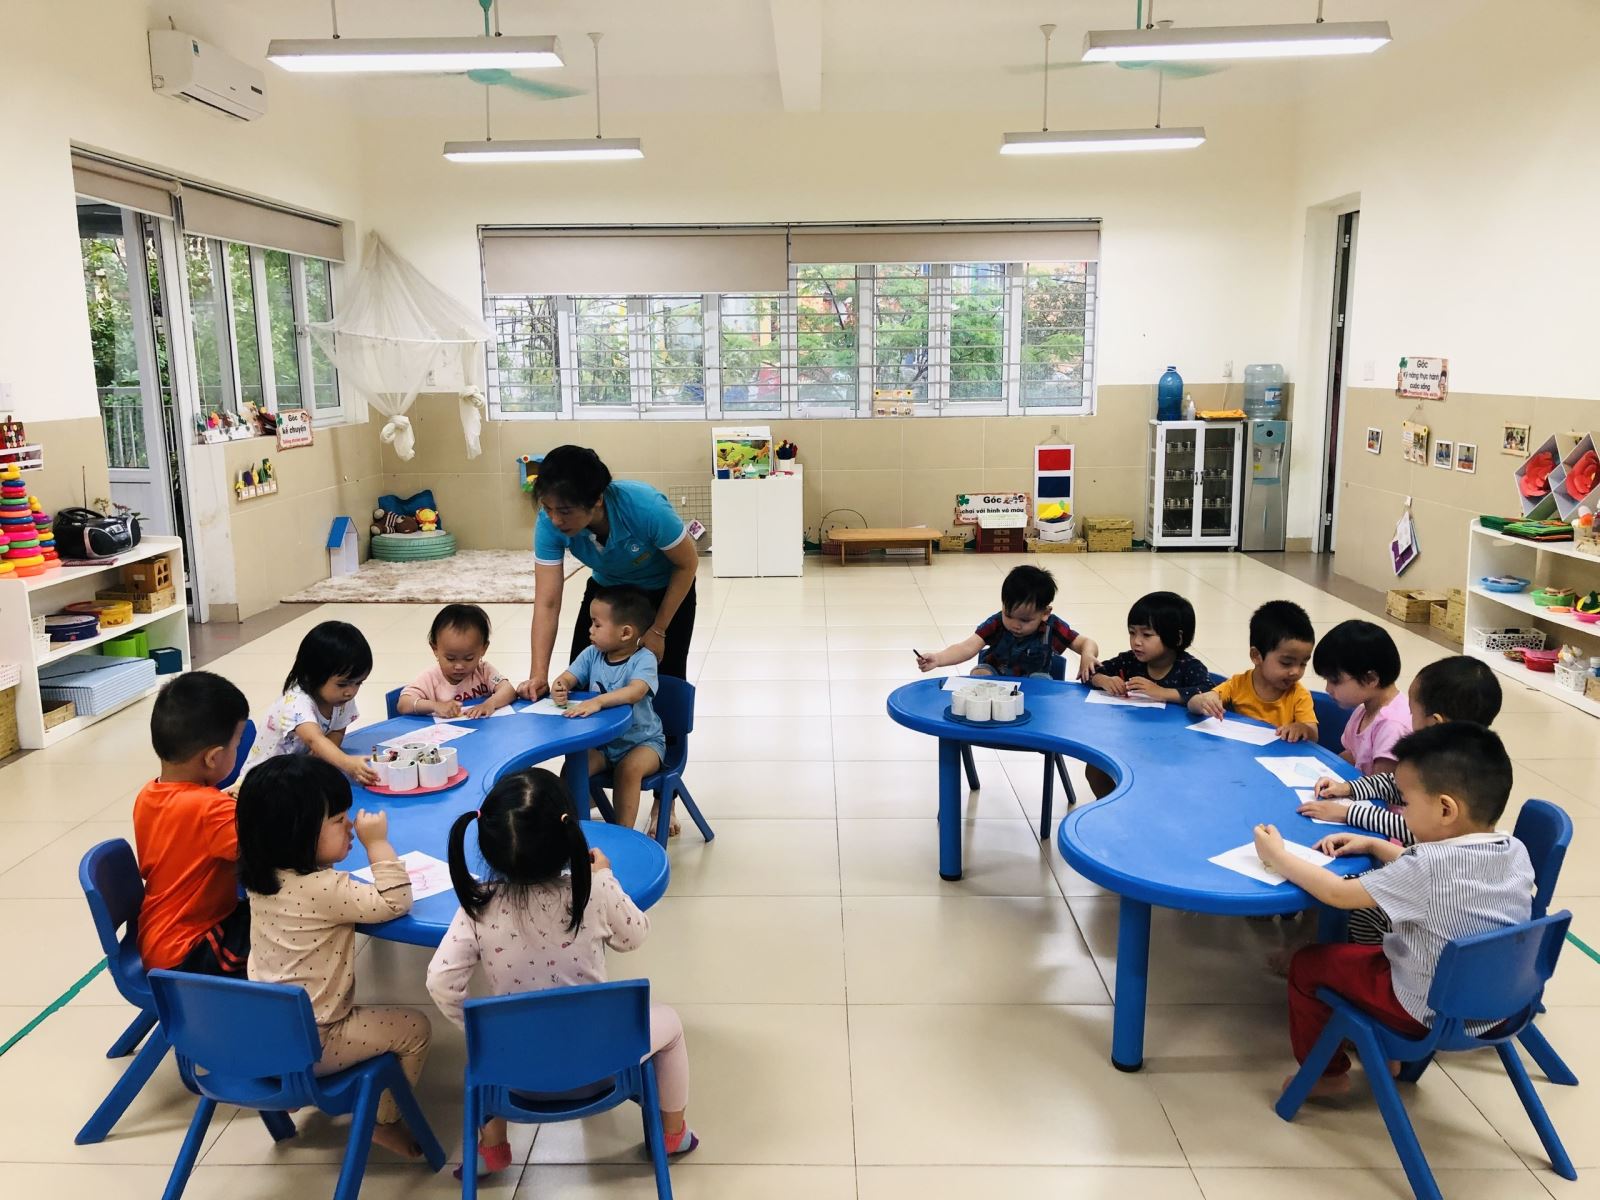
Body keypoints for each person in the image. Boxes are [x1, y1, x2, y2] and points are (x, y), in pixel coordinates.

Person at [426, 768, 696, 1178]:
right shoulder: (593, 890)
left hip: (514, 1072)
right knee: (671, 1025)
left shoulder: (477, 906)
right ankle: (673, 1133)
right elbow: (634, 935)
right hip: (604, 1063)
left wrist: (480, 1030)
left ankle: (492, 1148)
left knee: (481, 1050)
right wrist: (605, 876)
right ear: (568, 834)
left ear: (489, 845)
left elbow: (440, 981)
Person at [1253, 723, 1533, 1098]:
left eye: (1407, 803)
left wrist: (1278, 856)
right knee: (1381, 947)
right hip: (1498, 1006)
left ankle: (1328, 1075)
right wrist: (1375, 845)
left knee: (1308, 964)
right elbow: (1437, 878)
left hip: (1426, 1013)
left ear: (1446, 809)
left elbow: (1337, 893)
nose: (1403, 812)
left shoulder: (1427, 868)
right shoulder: (1514, 850)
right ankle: (1385, 1056)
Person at [237, 755, 432, 1160]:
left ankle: (288, 1090)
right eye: (339, 819)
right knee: (416, 1028)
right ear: (298, 832)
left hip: (259, 1034)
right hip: (317, 1042)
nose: (351, 825)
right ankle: (383, 1122)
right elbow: (395, 901)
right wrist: (377, 845)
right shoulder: (325, 888)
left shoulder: (260, 878)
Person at [519, 445, 699, 702]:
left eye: (565, 511)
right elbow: (547, 602)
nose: (555, 520)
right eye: (548, 508)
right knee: (582, 683)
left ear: (597, 499)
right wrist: (538, 675)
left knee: (663, 686)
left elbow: (687, 564)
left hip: (666, 590)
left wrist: (659, 629)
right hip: (607, 593)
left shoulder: (646, 508)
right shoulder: (548, 524)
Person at [132, 671, 251, 977]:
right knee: (289, 925)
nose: (239, 750)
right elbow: (271, 848)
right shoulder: (210, 809)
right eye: (237, 743)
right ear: (212, 758)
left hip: (159, 938)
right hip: (191, 952)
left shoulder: (149, 793)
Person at [549, 586, 667, 834]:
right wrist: (561, 685)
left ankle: (624, 834)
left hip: (643, 742)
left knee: (628, 770)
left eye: (597, 624)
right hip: (603, 744)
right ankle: (569, 828)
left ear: (625, 633)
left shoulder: (644, 659)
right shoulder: (592, 654)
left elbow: (635, 691)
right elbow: (569, 676)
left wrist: (599, 701)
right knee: (574, 767)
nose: (590, 630)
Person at [1086, 591, 1211, 798]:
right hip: (1131, 742)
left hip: (1176, 749)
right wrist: (1103, 680)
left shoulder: (1188, 667)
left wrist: (1163, 693)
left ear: (1177, 637)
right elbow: (1091, 672)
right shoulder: (1130, 661)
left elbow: (1208, 691)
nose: (1136, 642)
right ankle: (1114, 807)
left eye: (1146, 635)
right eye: (1132, 632)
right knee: (1095, 769)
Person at [239, 620, 378, 786]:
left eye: (358, 683)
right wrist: (347, 763)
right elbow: (314, 739)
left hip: (296, 776)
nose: (351, 691)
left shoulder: (341, 697)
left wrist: (322, 756)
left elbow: (338, 731)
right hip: (261, 784)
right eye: (343, 684)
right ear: (313, 675)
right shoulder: (296, 702)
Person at [914, 564, 1101, 682]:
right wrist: (938, 659)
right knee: (980, 674)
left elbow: (1087, 643)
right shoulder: (996, 623)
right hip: (995, 679)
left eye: (1025, 620)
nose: (1015, 625)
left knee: (1041, 681)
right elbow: (967, 647)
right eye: (1009, 615)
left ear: (1045, 613)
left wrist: (1087, 655)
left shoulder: (1052, 627)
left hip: (1034, 689)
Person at [1188, 600, 1317, 742]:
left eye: (1303, 663)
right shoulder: (1238, 684)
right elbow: (1193, 704)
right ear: (1256, 656)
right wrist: (1203, 701)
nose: (1296, 671)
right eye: (1286, 663)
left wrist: (1302, 729)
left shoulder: (1299, 695)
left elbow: (1313, 736)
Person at [1311, 619, 1410, 775]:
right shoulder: (1363, 711)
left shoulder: (1392, 727)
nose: (1328, 689)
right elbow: (1352, 756)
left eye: (1335, 681)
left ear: (1370, 679)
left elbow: (1381, 785)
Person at [398, 603, 515, 719]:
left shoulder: (484, 671)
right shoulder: (430, 678)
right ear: (435, 649)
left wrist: (490, 704)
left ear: (483, 649)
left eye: (468, 658)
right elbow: (403, 703)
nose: (459, 666)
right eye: (450, 658)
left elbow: (508, 690)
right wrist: (435, 706)